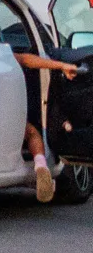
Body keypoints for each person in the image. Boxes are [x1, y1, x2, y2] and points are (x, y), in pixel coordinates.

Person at [19, 49, 83, 202]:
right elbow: (26, 59)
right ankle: (41, 165)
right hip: (10, 115)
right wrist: (61, 65)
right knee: (32, 132)